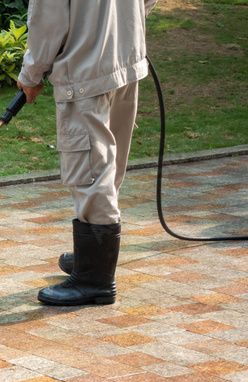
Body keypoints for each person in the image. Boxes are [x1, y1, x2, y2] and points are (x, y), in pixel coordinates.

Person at [17, 0, 158, 306]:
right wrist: (120, 28)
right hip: (125, 63)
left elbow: (48, 21)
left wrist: (31, 74)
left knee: (92, 171)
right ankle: (92, 259)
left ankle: (94, 280)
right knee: (108, 164)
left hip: (86, 72)